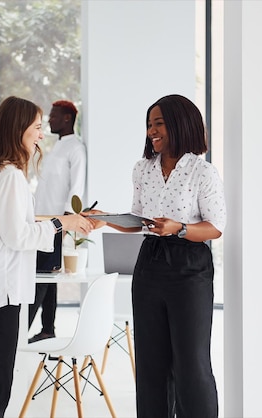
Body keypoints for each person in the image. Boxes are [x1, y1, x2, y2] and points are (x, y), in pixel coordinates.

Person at [0, 96, 96, 418]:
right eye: (35, 127)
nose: (40, 134)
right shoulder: (11, 176)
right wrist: (62, 223)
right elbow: (18, 236)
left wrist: (64, 221)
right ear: (18, 129)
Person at [99, 94, 226, 418]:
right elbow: (140, 221)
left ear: (180, 124)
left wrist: (179, 228)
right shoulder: (142, 169)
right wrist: (105, 217)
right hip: (150, 264)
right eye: (149, 125)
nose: (151, 131)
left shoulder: (202, 171)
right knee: (151, 362)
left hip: (190, 268)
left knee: (191, 364)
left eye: (158, 123)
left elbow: (214, 228)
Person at [28, 100, 87, 343]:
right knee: (47, 277)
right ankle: (48, 328)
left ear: (67, 118)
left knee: (42, 276)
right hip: (40, 222)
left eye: (53, 116)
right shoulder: (56, 148)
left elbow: (76, 189)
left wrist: (65, 225)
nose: (49, 121)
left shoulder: (76, 149)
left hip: (56, 224)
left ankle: (22, 328)